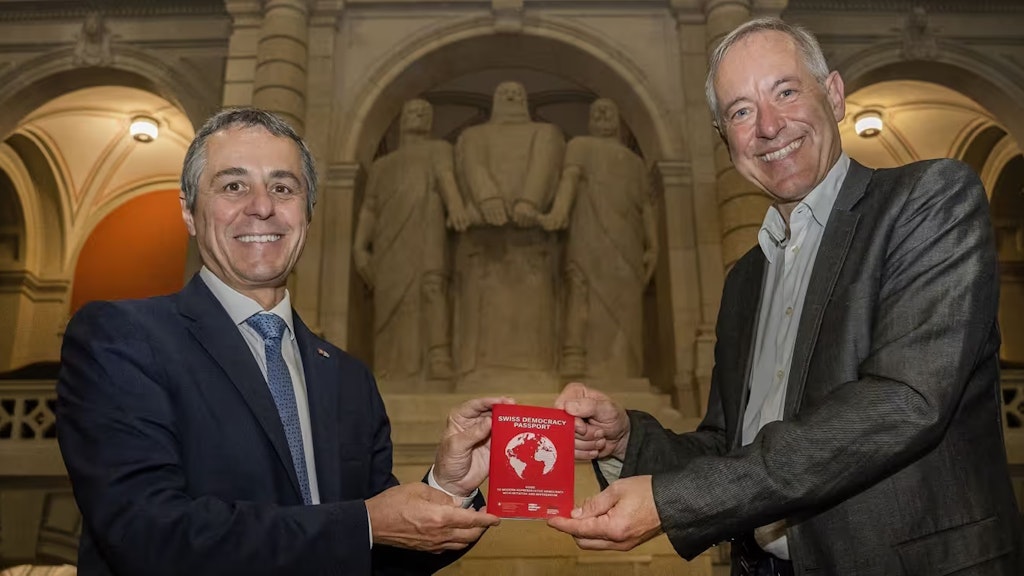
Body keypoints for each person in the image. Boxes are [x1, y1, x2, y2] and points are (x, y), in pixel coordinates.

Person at [547, 17, 1022, 576]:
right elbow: (731, 446)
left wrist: (673, 503)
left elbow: (902, 402)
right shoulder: (745, 278)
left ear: (836, 95)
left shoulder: (929, 200)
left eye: (786, 91)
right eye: (740, 111)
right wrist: (626, 439)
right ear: (727, 141)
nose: (769, 127)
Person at [56, 108, 503, 576]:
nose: (261, 206)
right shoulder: (122, 339)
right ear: (188, 211)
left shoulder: (348, 378)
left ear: (307, 215)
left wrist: (448, 488)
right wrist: (366, 523)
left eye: (283, 187)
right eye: (233, 185)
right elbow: (150, 535)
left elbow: (379, 555)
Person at [353, 99, 473, 383]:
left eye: (424, 112)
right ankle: (389, 365)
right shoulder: (382, 165)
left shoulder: (438, 150)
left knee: (432, 287)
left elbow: (447, 180)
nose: (417, 116)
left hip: (428, 228)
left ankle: (438, 359)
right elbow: (370, 208)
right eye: (411, 111)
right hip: (389, 240)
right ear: (402, 118)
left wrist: (456, 206)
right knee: (390, 300)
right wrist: (359, 247)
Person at [538, 98, 657, 378]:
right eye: (597, 111)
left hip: (628, 240)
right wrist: (556, 215)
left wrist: (654, 245)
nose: (603, 114)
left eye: (609, 110)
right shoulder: (579, 146)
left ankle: (625, 371)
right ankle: (575, 361)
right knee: (581, 289)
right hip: (586, 232)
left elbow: (646, 207)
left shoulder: (635, 162)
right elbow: (568, 183)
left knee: (626, 304)